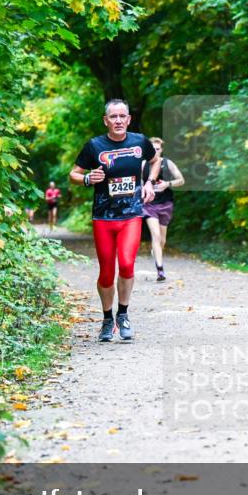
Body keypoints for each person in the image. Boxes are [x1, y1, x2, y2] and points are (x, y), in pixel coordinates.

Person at [70, 99, 161, 342]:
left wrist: (150, 182)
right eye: (113, 117)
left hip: (131, 215)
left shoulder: (140, 141)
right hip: (103, 217)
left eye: (122, 116)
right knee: (107, 272)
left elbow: (155, 161)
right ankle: (107, 319)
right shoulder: (94, 146)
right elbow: (74, 174)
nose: (118, 120)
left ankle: (123, 314)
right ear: (106, 120)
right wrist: (89, 178)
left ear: (129, 119)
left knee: (128, 264)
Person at [142, 137, 185, 281]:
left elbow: (181, 180)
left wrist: (167, 183)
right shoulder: (143, 164)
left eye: (157, 149)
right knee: (155, 235)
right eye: (152, 149)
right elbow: (138, 182)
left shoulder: (168, 163)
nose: (155, 151)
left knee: (162, 240)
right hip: (149, 205)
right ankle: (160, 270)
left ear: (162, 150)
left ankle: (156, 250)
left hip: (166, 204)